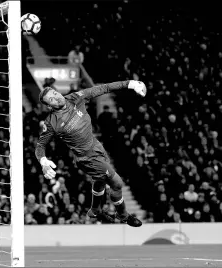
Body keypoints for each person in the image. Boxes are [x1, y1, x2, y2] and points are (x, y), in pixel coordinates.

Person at [35, 80, 147, 227]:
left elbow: (104, 87)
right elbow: (40, 145)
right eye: (51, 99)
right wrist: (43, 161)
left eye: (55, 93)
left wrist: (130, 84)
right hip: (86, 158)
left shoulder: (76, 98)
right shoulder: (51, 123)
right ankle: (123, 215)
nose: (56, 97)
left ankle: (94, 210)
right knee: (117, 184)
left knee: (99, 181)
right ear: (49, 106)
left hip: (96, 146)